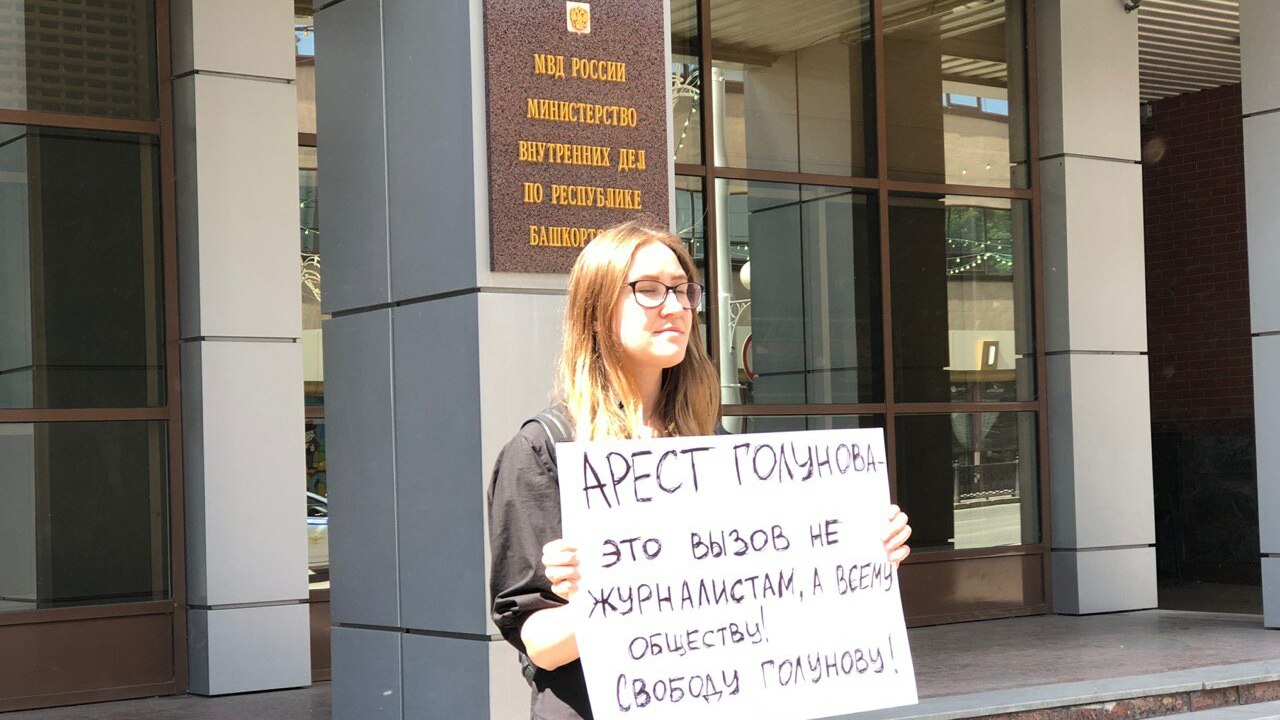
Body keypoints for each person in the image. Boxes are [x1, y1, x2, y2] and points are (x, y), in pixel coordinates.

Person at [487, 220, 912, 720]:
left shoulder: (712, 448)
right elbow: (538, 643)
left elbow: (770, 584)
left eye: (683, 290)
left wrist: (858, 556)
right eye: (648, 290)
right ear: (596, 312)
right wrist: (605, 598)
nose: (675, 306)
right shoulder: (543, 451)